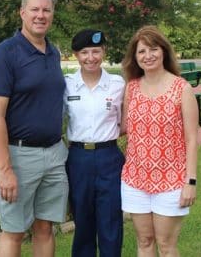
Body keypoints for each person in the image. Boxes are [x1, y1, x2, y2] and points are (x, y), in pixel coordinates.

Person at [0, 0, 68, 257]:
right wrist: (6, 169)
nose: (40, 15)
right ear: (22, 12)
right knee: (14, 232)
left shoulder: (53, 53)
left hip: (54, 154)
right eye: (34, 9)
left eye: (46, 10)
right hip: (18, 157)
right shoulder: (5, 54)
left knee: (45, 228)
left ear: (52, 14)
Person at [120, 25, 198, 257]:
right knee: (144, 241)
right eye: (142, 51)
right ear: (135, 57)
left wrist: (190, 181)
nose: (148, 56)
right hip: (135, 179)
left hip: (172, 180)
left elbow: (192, 139)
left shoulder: (181, 88)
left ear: (164, 51)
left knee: (165, 245)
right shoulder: (131, 88)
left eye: (153, 49)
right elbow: (122, 127)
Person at [63, 29, 125, 257]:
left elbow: (124, 123)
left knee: (110, 220)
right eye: (84, 52)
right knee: (83, 219)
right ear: (75, 55)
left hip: (109, 156)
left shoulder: (117, 84)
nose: (91, 57)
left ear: (104, 52)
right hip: (78, 158)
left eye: (96, 51)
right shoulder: (67, 84)